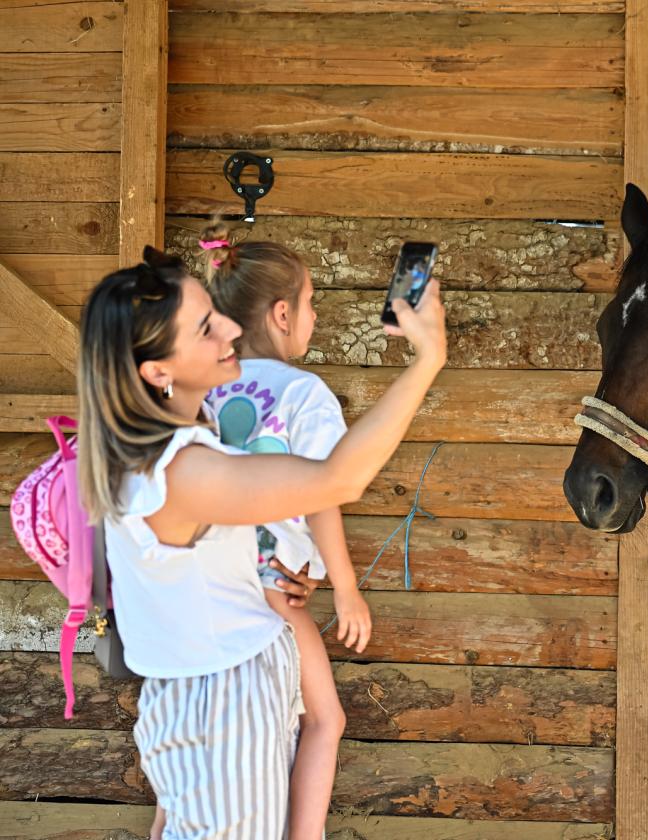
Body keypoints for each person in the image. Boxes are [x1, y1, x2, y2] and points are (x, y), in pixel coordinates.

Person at [77, 246, 446, 839]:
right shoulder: (181, 473)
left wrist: (276, 575)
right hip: (223, 707)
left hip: (209, 695)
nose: (227, 327)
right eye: (204, 327)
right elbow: (337, 479)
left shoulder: (164, 453)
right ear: (158, 370)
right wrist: (428, 358)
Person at [184, 222, 366, 839]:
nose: (314, 317)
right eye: (312, 304)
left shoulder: (199, 389)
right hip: (268, 592)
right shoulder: (305, 394)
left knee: (194, 734)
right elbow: (323, 495)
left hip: (194, 588)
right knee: (324, 721)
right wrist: (344, 585)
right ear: (283, 314)